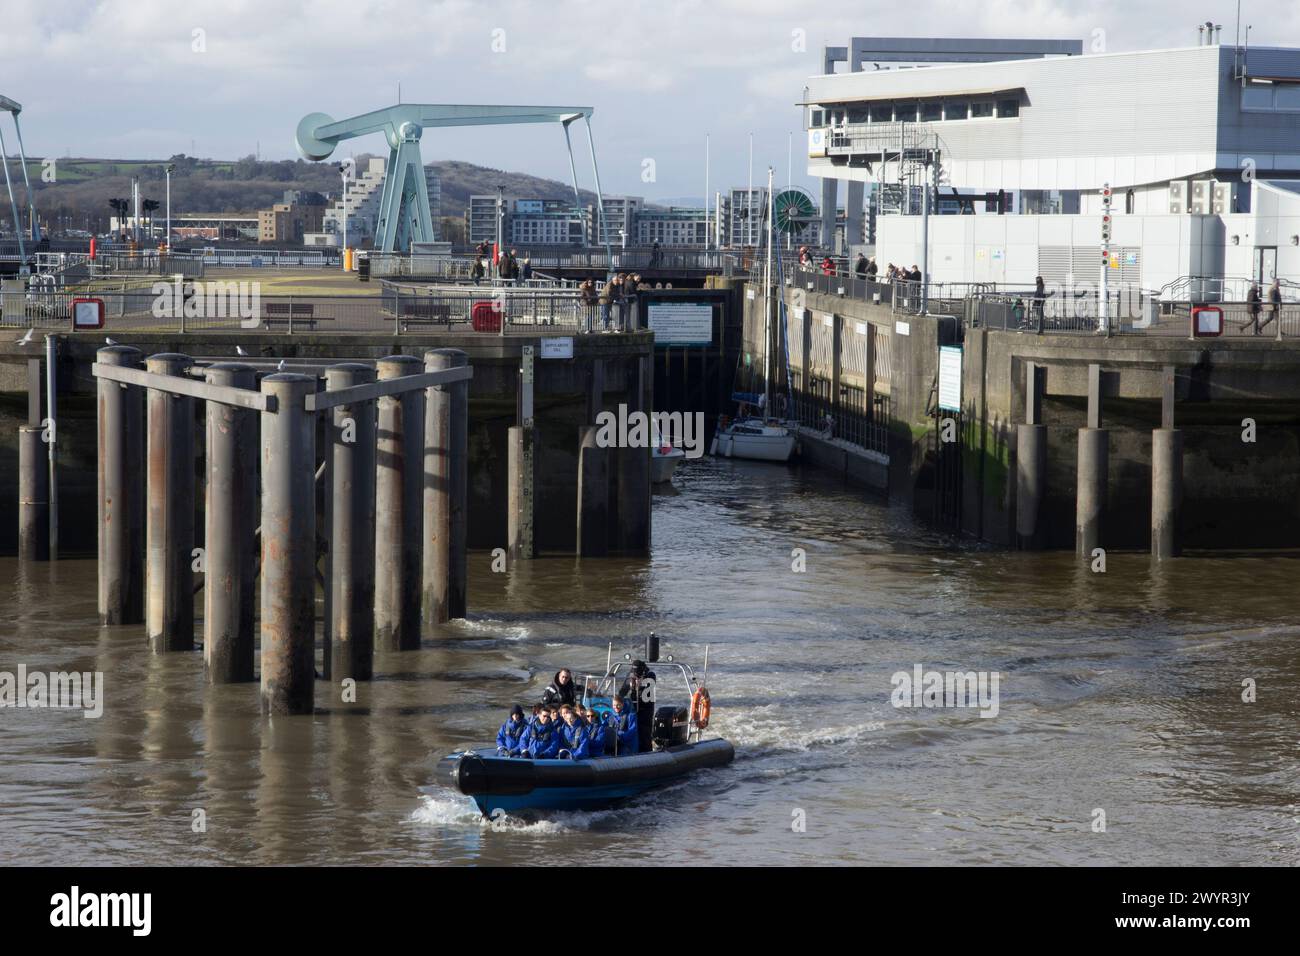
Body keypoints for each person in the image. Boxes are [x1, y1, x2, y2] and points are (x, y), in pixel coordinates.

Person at [618, 660, 656, 753]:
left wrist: (639, 685)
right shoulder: (631, 676)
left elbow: (648, 687)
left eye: (637, 671)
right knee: (630, 729)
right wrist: (618, 699)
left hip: (646, 708)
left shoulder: (650, 675)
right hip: (633, 708)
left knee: (644, 731)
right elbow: (622, 692)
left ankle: (646, 751)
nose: (635, 674)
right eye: (634, 671)